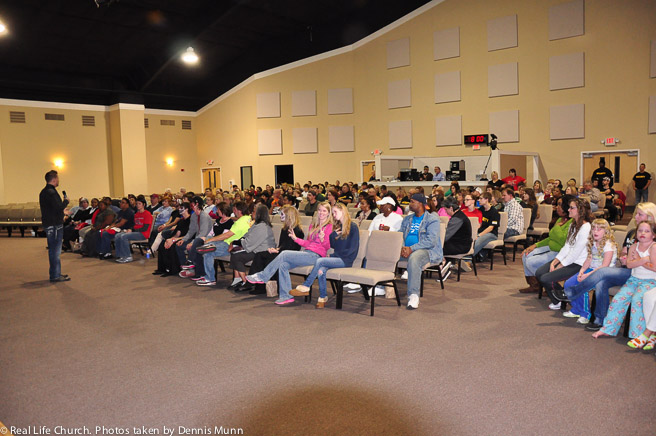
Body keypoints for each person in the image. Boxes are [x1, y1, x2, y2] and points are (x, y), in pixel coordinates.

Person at [551, 202, 656, 330]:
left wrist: (637, 260)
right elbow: (625, 252)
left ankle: (571, 292)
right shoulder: (633, 233)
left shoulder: (653, 239)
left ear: (650, 217)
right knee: (601, 284)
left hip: (640, 274)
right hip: (625, 270)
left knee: (602, 271)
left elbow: (650, 263)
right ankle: (600, 320)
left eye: (640, 214)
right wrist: (624, 257)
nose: (636, 217)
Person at [245, 202, 333, 305]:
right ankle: (286, 296)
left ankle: (263, 276)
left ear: (328, 213)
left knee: (284, 254)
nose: (321, 213)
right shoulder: (313, 226)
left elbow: (327, 247)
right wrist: (295, 239)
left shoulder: (330, 227)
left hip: (317, 256)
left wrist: (322, 239)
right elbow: (308, 243)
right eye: (320, 210)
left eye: (324, 211)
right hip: (307, 253)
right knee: (283, 265)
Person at [592, 221, 656, 339]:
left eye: (647, 231)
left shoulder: (654, 247)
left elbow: (654, 268)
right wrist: (643, 260)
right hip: (634, 280)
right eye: (640, 231)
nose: (642, 233)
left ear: (653, 235)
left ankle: (638, 335)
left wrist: (638, 260)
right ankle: (608, 329)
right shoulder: (634, 246)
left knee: (637, 300)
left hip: (650, 281)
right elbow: (629, 264)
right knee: (618, 299)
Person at [290, 203, 359, 308]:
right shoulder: (338, 227)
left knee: (320, 261)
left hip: (346, 260)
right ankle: (323, 297)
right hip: (337, 258)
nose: (333, 215)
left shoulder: (353, 227)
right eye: (333, 212)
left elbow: (353, 249)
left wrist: (333, 256)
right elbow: (334, 245)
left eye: (335, 212)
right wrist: (332, 236)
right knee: (321, 270)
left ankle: (306, 285)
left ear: (342, 211)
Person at [536, 197, 592, 310]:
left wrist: (560, 265)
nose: (569, 210)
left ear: (580, 210)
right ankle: (560, 298)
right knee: (539, 273)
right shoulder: (573, 224)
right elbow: (567, 246)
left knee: (546, 278)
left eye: (572, 208)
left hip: (578, 263)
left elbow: (576, 253)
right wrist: (555, 261)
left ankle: (565, 296)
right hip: (568, 260)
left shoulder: (586, 227)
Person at [558, 219, 618, 324]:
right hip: (592, 270)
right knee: (568, 283)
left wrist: (587, 275)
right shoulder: (593, 242)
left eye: (599, 229)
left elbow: (604, 266)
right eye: (594, 229)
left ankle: (585, 314)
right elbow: (589, 259)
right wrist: (582, 271)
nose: (595, 231)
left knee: (582, 286)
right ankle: (576, 309)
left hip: (604, 273)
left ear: (606, 231)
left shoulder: (609, 245)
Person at [247, 206, 305, 295]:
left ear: (288, 216)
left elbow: (292, 248)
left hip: (291, 255)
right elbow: (282, 245)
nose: (280, 216)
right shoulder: (284, 229)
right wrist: (275, 249)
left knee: (267, 258)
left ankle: (258, 284)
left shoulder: (297, 230)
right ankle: (258, 285)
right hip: (282, 252)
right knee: (259, 255)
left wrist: (277, 251)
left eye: (282, 214)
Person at [519, 197, 573, 293]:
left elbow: (563, 241)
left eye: (560, 205)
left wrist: (557, 227)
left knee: (531, 262)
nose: (557, 207)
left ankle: (551, 286)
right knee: (525, 254)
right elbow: (551, 237)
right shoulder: (560, 219)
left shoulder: (571, 222)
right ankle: (534, 285)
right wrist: (535, 245)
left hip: (560, 251)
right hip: (551, 247)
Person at [399, 194, 442, 310]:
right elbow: (400, 235)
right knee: (385, 252)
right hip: (406, 249)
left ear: (421, 204)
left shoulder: (432, 219)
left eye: (412, 201)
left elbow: (431, 241)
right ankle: (381, 286)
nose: (410, 204)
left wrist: (411, 248)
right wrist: (403, 247)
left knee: (414, 258)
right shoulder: (407, 219)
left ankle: (413, 295)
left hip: (426, 251)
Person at [197, 201, 252, 287]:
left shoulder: (240, 222)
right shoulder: (247, 219)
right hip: (227, 242)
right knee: (205, 244)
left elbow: (227, 235)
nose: (233, 211)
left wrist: (210, 239)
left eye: (234, 209)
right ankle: (206, 247)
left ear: (239, 210)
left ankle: (210, 279)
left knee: (208, 252)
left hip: (229, 245)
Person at [227, 204, 276, 292]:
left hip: (263, 251)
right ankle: (239, 280)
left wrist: (235, 242)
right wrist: (234, 242)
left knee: (237, 257)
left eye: (253, 211)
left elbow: (249, 242)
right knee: (234, 254)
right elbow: (246, 235)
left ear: (259, 214)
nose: (251, 213)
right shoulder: (257, 224)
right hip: (255, 248)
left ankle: (246, 282)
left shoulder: (262, 226)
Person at [39, 170, 70, 282]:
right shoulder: (52, 192)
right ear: (54, 179)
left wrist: (62, 211)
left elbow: (52, 208)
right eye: (57, 179)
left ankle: (55, 273)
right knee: (55, 251)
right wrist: (66, 202)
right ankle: (55, 275)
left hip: (49, 223)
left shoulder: (44, 192)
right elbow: (58, 207)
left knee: (53, 250)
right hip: (54, 225)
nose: (58, 181)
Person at [154, 202, 192, 277]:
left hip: (186, 239)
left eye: (182, 208)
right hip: (178, 238)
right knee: (162, 244)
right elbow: (176, 233)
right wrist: (170, 239)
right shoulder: (181, 221)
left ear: (187, 209)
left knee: (173, 246)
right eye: (179, 208)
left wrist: (174, 240)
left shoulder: (191, 220)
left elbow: (189, 235)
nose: (179, 210)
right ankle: (163, 269)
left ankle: (173, 269)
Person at [114, 195, 153, 263]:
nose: (137, 205)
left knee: (123, 236)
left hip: (143, 234)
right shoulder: (137, 214)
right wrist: (129, 229)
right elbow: (134, 225)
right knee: (118, 235)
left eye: (139, 204)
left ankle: (128, 256)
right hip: (136, 232)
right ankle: (121, 255)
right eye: (137, 204)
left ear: (144, 205)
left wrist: (132, 230)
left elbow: (145, 228)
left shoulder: (147, 214)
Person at [473, 192, 500, 260]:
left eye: (481, 198)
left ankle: (468, 258)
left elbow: (491, 228)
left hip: (491, 234)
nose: (479, 200)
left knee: (478, 240)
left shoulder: (494, 212)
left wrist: (479, 235)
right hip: (481, 232)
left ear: (486, 199)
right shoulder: (480, 210)